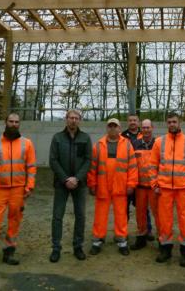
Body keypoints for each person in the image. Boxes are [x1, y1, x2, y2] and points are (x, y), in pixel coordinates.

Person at [0, 113, 37, 270]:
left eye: (17, 122)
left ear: (20, 124)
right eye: (11, 121)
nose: (14, 124)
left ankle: (9, 252)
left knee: (14, 222)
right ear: (5, 122)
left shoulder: (27, 144)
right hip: (0, 191)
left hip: (18, 190)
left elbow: (31, 168)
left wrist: (29, 187)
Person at [150, 112, 185, 267]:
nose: (172, 124)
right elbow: (152, 166)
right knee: (165, 221)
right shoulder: (159, 142)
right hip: (164, 189)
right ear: (167, 124)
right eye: (169, 122)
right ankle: (165, 250)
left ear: (179, 123)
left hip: (184, 189)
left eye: (174, 122)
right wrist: (155, 185)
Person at [88, 119, 138, 255]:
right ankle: (97, 240)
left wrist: (131, 184)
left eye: (114, 126)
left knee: (121, 215)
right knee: (100, 215)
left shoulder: (127, 145)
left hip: (120, 187)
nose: (112, 129)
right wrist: (92, 184)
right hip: (102, 187)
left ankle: (122, 241)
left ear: (119, 128)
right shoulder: (98, 145)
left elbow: (133, 167)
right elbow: (92, 168)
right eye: (110, 126)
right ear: (106, 128)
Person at [49, 109, 92, 262]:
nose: (73, 120)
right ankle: (55, 248)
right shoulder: (58, 138)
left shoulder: (85, 138)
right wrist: (66, 179)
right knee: (57, 216)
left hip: (80, 185)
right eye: (71, 117)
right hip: (61, 184)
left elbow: (88, 160)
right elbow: (53, 161)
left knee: (80, 216)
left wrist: (77, 179)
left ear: (80, 120)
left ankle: (78, 246)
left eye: (76, 118)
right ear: (66, 119)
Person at [130, 119, 159, 250]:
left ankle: (162, 240)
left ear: (152, 128)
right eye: (144, 128)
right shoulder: (134, 144)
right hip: (140, 187)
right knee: (140, 214)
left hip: (155, 187)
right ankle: (141, 237)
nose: (146, 130)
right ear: (141, 129)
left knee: (159, 214)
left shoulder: (158, 144)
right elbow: (131, 166)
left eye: (148, 127)